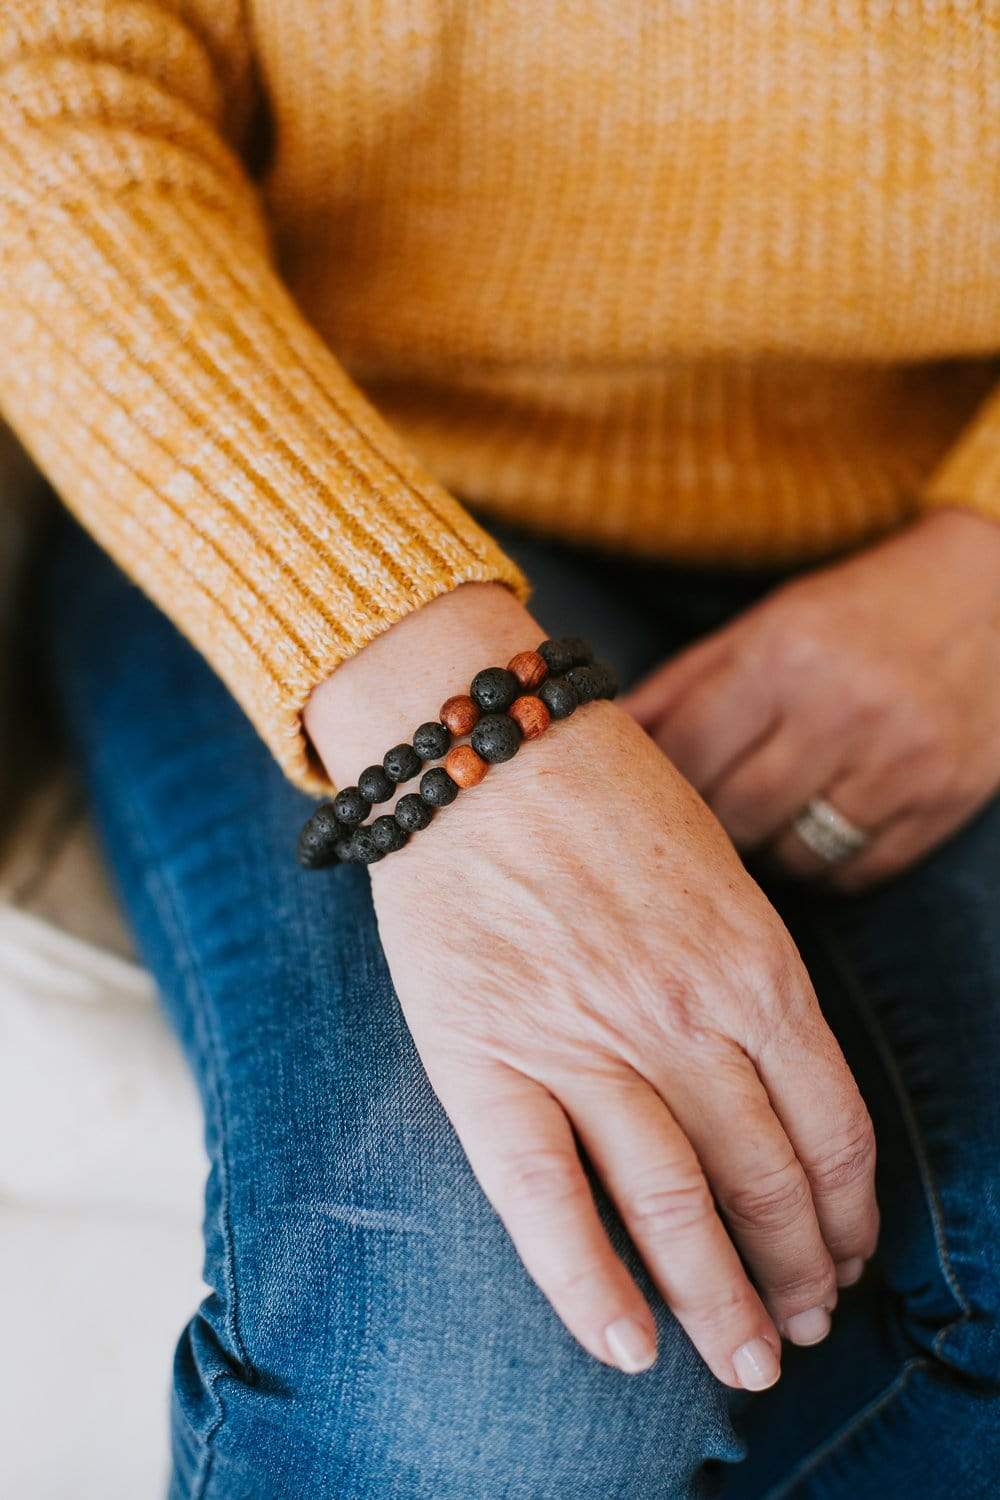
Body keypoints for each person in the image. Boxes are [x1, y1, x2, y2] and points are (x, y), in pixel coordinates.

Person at [2, 4, 998, 1496]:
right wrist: (450, 723)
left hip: (948, 509)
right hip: (295, 448)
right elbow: (43, 96)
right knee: (468, 1374)